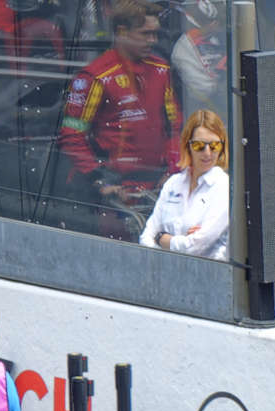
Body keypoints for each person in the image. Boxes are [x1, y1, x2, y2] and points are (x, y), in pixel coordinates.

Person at [58, 0, 182, 237]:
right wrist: (101, 182)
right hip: (113, 194)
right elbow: (72, 136)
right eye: (145, 34)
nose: (153, 40)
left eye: (155, 34)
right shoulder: (95, 76)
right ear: (122, 32)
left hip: (159, 189)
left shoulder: (162, 69)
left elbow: (174, 127)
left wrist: (173, 172)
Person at [140, 109, 231, 259]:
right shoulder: (173, 183)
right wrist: (182, 240)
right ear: (187, 145)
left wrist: (162, 238)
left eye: (214, 145)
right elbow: (146, 237)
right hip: (165, 268)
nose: (207, 153)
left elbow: (195, 246)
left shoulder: (224, 187)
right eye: (199, 145)